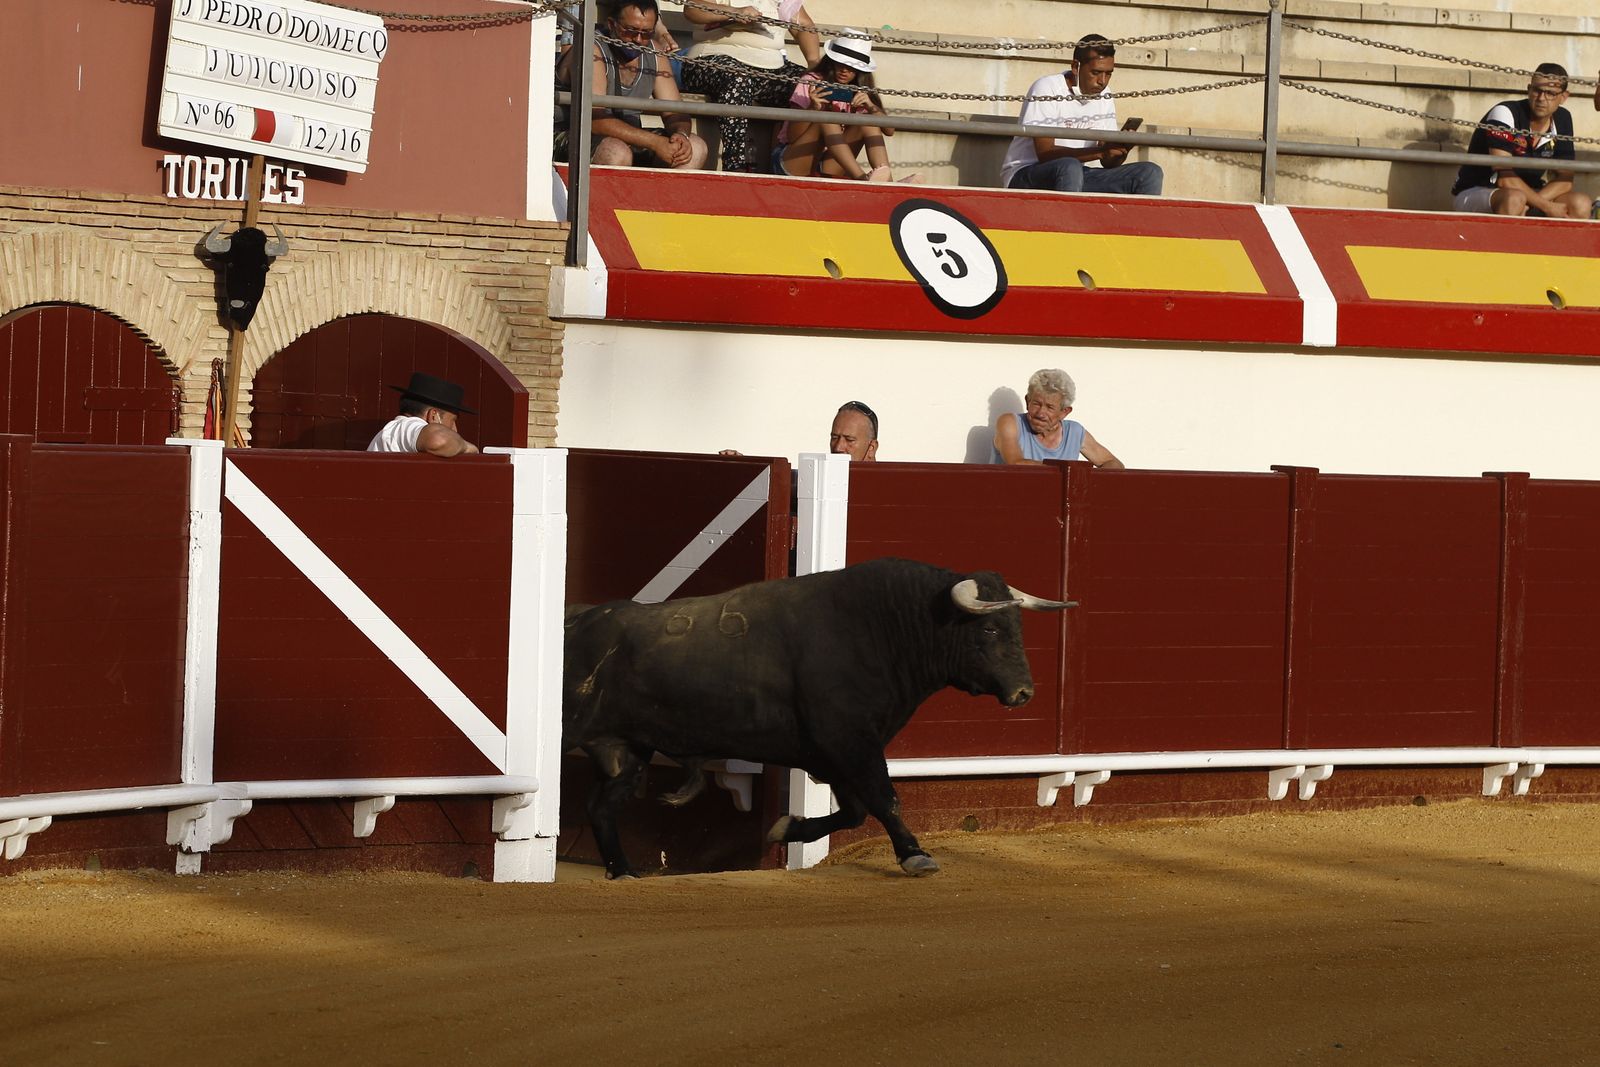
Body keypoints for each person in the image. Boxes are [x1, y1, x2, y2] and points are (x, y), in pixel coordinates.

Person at [1000, 33, 1163, 197]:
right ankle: (1067, 222)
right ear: (1075, 67)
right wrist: (1101, 152)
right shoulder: (1047, 87)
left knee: (1149, 173)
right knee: (1069, 167)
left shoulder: (1105, 95)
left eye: (1108, 74)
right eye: (1096, 72)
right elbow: (1045, 154)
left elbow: (1107, 163)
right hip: (1026, 174)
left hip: (1079, 174)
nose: (1103, 81)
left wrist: (1119, 150)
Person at [554, 0, 708, 170]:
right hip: (572, 135)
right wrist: (655, 143)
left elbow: (676, 112)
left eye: (647, 33)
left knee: (695, 147)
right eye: (631, 31)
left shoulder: (655, 54)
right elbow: (595, 120)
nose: (638, 39)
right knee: (615, 152)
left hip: (629, 138)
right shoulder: (591, 49)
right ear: (612, 24)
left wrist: (681, 135)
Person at [681, 0, 822, 172]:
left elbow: (804, 26)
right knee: (738, 77)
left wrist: (814, 67)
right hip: (711, 58)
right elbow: (692, 9)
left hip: (768, 66)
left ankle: (784, 163)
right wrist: (734, 12)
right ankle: (736, 165)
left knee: (807, 85)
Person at [1453, 64, 1590, 219]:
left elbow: (1565, 181)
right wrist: (1545, 206)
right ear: (1529, 89)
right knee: (1514, 200)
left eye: (1550, 93)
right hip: (1479, 189)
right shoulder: (1504, 112)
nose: (1541, 98)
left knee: (1581, 203)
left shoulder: (1563, 118)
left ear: (1564, 97)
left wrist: (1533, 204)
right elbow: (1505, 180)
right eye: (1537, 91)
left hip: (1529, 194)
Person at [775, 34, 912, 182]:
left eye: (851, 67)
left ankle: (888, 185)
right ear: (832, 61)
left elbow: (889, 131)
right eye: (841, 63)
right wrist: (812, 109)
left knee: (869, 122)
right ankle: (863, 180)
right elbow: (792, 137)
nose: (844, 70)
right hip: (794, 159)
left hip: (829, 163)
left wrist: (871, 107)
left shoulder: (860, 90)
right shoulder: (812, 81)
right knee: (827, 119)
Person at [992, 369, 1122, 468]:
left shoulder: (1074, 432)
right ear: (1027, 401)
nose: (1041, 413)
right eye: (1036, 404)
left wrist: (1089, 482)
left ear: (1064, 412)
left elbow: (1113, 464)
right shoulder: (1010, 423)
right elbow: (1015, 464)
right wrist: (1068, 471)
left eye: (1049, 407)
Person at [719, 400, 880, 460]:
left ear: (871, 448)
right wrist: (744, 467)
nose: (838, 447)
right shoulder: (818, 480)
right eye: (834, 437)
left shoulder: (890, 488)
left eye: (849, 440)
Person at [368, 372, 480, 457]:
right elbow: (439, 439)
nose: (455, 429)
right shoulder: (406, 426)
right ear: (433, 416)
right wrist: (467, 447)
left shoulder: (397, 430)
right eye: (453, 420)